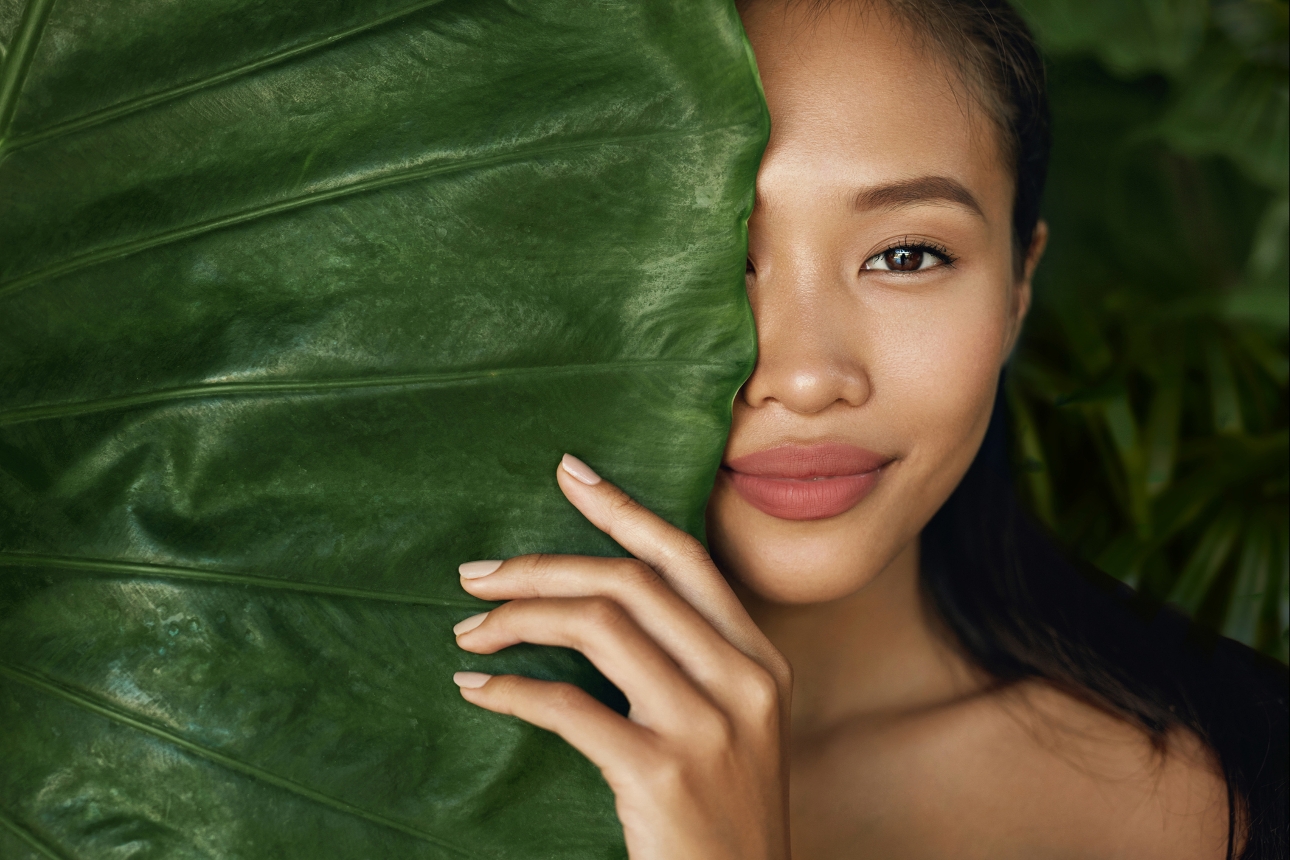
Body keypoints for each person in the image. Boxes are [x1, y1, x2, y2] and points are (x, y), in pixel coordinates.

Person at [447, 0, 1289, 857]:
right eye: (705, 256)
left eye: (907, 255)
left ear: (1016, 289)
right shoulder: (365, 771)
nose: (807, 378)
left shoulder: (1249, 782)